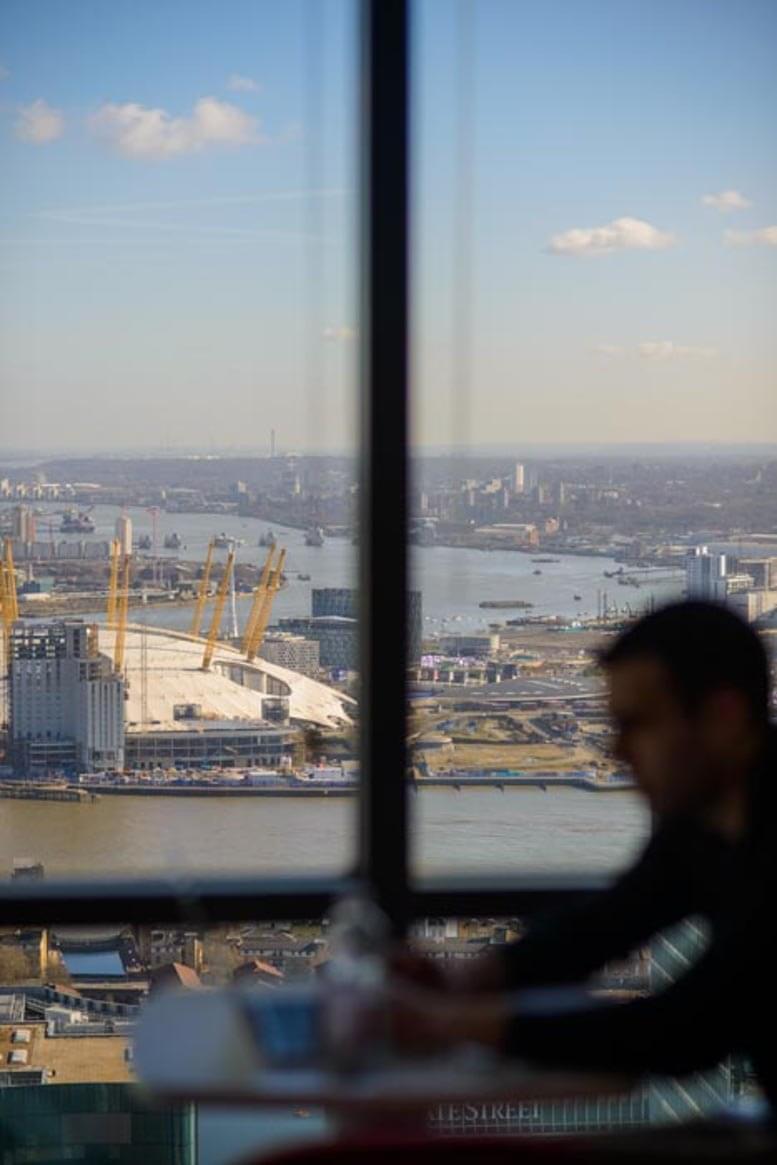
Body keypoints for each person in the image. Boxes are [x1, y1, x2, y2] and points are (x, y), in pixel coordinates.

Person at [394, 601, 777, 1113]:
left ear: (723, 717)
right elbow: (608, 923)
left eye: (637, 724)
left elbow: (691, 1028)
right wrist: (465, 979)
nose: (616, 752)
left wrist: (453, 1024)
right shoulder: (706, 820)